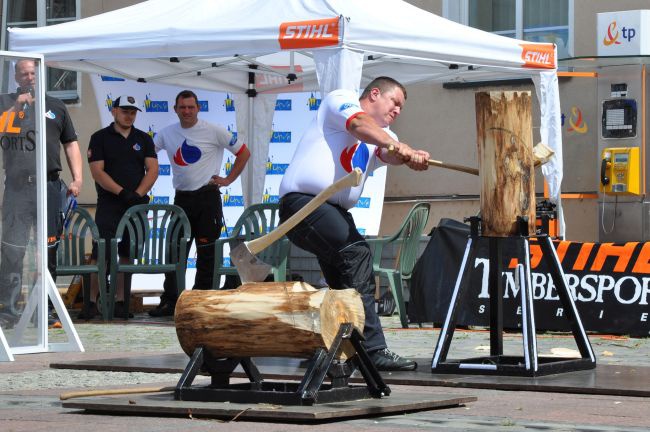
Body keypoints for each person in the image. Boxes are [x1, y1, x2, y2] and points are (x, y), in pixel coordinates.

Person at [278, 77, 429, 371]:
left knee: (341, 280)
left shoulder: (383, 135)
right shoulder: (339, 100)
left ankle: (334, 347)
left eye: (401, 107)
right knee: (357, 253)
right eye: (394, 102)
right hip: (304, 205)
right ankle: (372, 349)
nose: (397, 110)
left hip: (332, 213)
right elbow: (360, 126)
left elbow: (387, 152)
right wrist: (399, 146)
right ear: (374, 94)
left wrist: (411, 156)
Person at [148, 90, 250, 317]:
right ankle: (170, 301)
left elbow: (243, 152)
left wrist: (228, 179)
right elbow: (147, 155)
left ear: (198, 108)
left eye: (190, 107)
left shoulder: (213, 130)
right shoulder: (165, 134)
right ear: (175, 109)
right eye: (182, 107)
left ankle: (202, 300)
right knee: (175, 253)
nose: (186, 111)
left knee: (206, 253)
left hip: (207, 198)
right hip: (181, 200)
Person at [0, 58, 83, 328]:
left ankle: (44, 310)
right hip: (16, 187)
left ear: (41, 75)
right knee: (13, 250)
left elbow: (70, 143)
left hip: (48, 186)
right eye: (23, 74)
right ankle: (9, 312)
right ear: (16, 77)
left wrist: (78, 178)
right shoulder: (5, 102)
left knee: (47, 250)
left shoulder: (56, 106)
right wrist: (18, 105)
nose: (29, 78)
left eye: (33, 73)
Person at [84, 95, 158, 319]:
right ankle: (91, 302)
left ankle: (121, 301)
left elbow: (153, 170)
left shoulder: (143, 139)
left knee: (128, 253)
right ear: (114, 111)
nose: (129, 115)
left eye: (133, 112)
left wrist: (137, 194)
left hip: (135, 206)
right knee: (101, 253)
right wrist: (121, 192)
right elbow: (97, 171)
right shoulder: (99, 138)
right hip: (110, 204)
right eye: (125, 111)